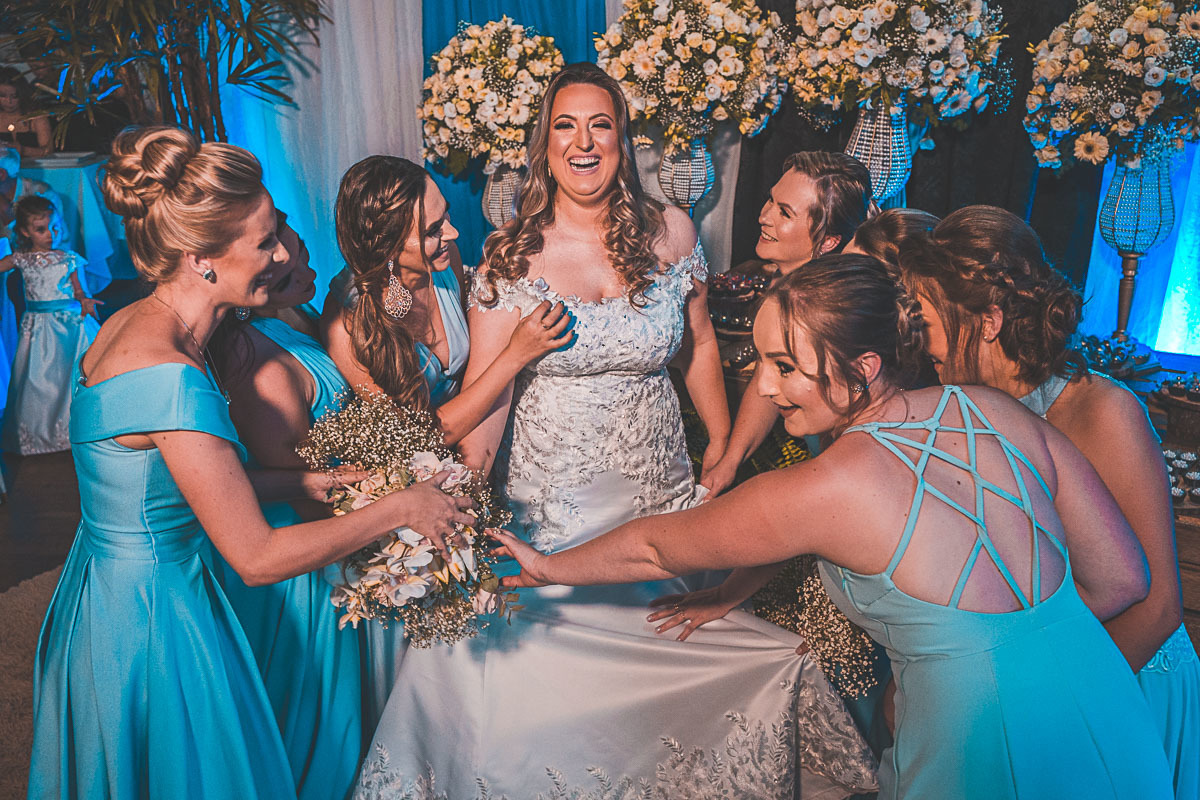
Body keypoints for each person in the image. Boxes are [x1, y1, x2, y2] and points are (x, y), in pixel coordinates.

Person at [352, 63, 878, 800]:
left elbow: (696, 348)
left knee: (694, 659)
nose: (584, 142)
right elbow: (487, 406)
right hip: (555, 513)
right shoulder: (509, 256)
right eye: (566, 126)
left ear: (623, 139)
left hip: (664, 496)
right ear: (544, 144)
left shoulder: (671, 233)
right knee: (533, 686)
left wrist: (724, 449)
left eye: (601, 124)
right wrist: (454, 507)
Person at [493, 252, 1176, 799]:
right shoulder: (996, 409)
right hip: (1106, 705)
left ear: (863, 367)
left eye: (784, 366)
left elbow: (653, 544)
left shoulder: (826, 486)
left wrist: (548, 566)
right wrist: (1021, 651)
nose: (762, 387)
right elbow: (1123, 577)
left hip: (976, 740)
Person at [28, 126, 475, 799]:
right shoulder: (170, 371)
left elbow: (158, 485)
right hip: (154, 619)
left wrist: (301, 478)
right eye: (264, 241)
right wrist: (403, 505)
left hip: (109, 587)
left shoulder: (135, 322)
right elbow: (257, 556)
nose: (280, 255)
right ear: (202, 257)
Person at [895, 205, 1200, 798]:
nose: (919, 339)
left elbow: (1160, 608)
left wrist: (1055, 709)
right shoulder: (955, 405)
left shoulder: (1104, 412)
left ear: (987, 320)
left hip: (1123, 674)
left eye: (927, 318)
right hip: (1023, 681)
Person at [319, 155, 573, 719]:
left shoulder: (448, 262)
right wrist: (516, 356)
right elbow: (415, 437)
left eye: (445, 219)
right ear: (386, 246)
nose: (453, 234)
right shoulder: (349, 326)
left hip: (488, 447)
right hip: (420, 481)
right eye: (432, 230)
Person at [207, 210, 363, 800]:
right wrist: (381, 539)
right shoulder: (259, 360)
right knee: (313, 707)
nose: (302, 262)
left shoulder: (294, 318)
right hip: (303, 552)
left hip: (338, 522)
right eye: (283, 250)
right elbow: (292, 481)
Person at [699, 151, 873, 498]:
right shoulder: (789, 284)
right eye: (770, 200)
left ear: (827, 241)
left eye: (785, 212)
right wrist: (729, 462)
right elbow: (772, 379)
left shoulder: (829, 309)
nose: (764, 216)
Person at [0, 195, 99, 455]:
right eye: (41, 230)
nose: (50, 235)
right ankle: (39, 435)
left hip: (71, 326)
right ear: (24, 231)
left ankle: (74, 430)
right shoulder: (20, 259)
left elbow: (78, 290)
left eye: (55, 227)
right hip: (38, 327)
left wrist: (85, 301)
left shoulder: (68, 258)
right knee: (40, 381)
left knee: (73, 377)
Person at [0, 68, 52, 159]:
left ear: (22, 94)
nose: (9, 101)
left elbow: (48, 150)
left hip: (33, 170)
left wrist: (23, 150)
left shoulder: (36, 118)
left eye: (14, 96)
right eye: (3, 96)